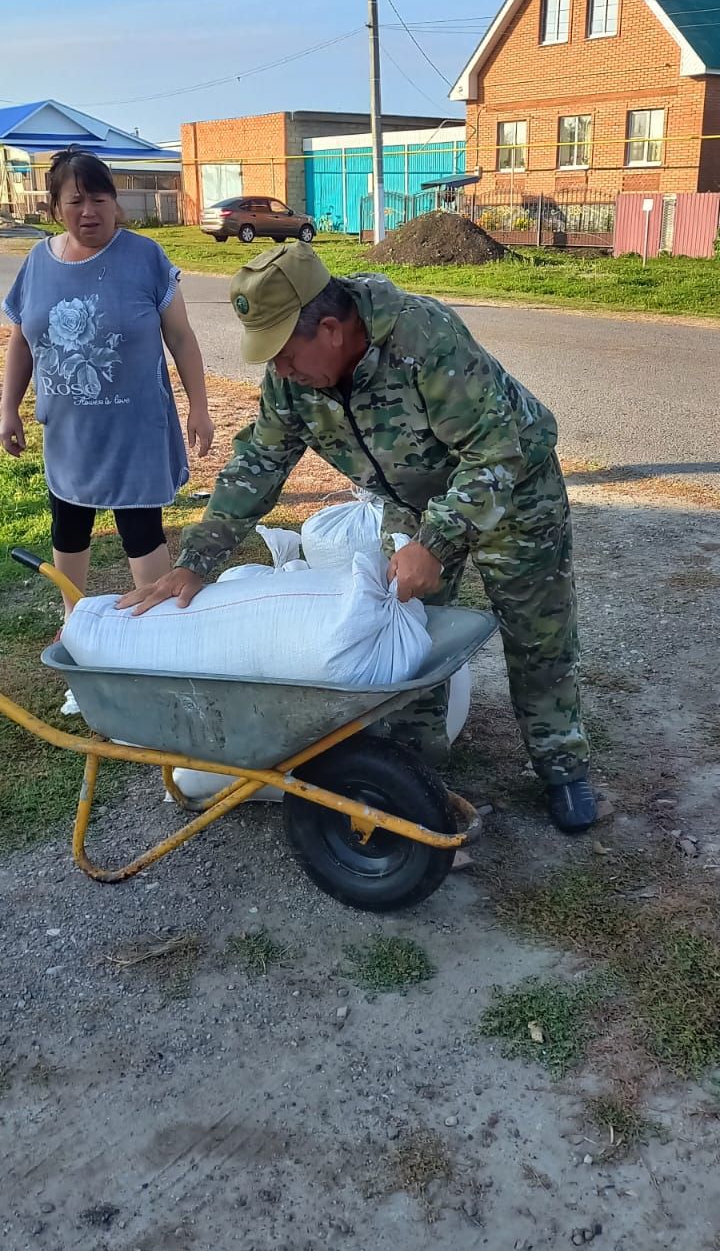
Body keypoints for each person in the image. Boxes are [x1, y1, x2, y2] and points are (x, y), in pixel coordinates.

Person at [122, 241, 597, 833]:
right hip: (410, 503)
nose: (280, 371)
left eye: (286, 355)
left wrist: (438, 542)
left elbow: (496, 449)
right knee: (402, 633)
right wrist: (196, 560)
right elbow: (259, 464)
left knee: (538, 635)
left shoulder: (423, 338)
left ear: (329, 329)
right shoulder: (291, 380)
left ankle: (562, 766)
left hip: (514, 491)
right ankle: (412, 769)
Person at [0, 147, 214, 614]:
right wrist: (8, 408)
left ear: (115, 202)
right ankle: (72, 617)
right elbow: (21, 341)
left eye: (100, 198)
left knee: (141, 531)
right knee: (69, 524)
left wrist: (199, 406)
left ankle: (154, 626)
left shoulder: (145, 256)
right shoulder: (38, 261)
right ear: (55, 208)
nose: (89, 211)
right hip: (69, 434)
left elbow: (180, 337)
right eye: (75, 201)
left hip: (134, 432)